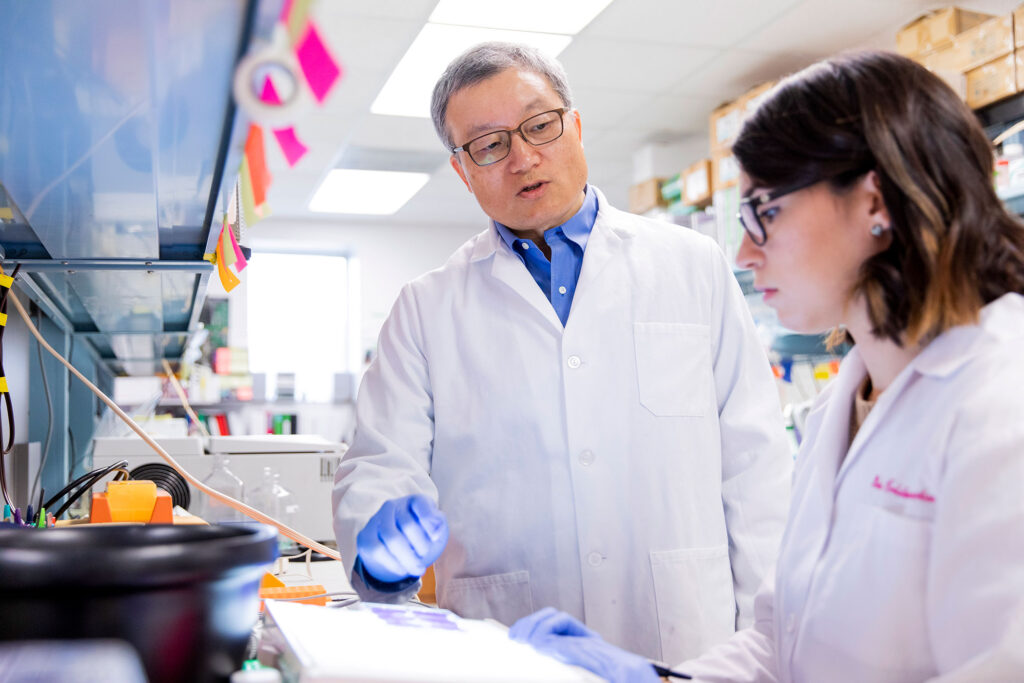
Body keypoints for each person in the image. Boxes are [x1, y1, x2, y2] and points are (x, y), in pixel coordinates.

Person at [509, 49, 1024, 682]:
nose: (744, 251)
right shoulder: (848, 399)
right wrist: (667, 680)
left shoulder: (1002, 398)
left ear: (874, 202)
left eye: (764, 213)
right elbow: (785, 638)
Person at [332, 42, 793, 664]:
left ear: (574, 126)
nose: (523, 157)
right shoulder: (425, 309)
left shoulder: (692, 266)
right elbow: (381, 467)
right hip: (509, 648)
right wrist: (379, 546)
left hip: (690, 643)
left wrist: (765, 649)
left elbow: (757, 466)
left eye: (540, 125)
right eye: (489, 145)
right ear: (463, 171)